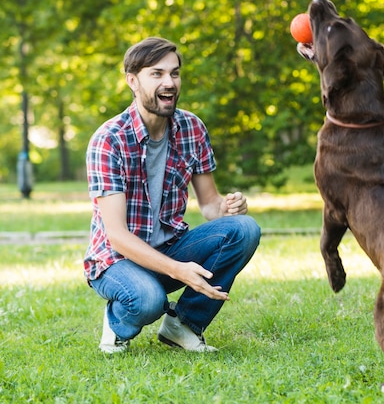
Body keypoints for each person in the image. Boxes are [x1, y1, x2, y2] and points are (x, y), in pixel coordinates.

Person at [84, 36, 261, 353]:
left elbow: (209, 205)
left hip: (169, 249)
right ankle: (117, 322)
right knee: (149, 300)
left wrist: (228, 206)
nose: (169, 83)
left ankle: (183, 325)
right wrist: (179, 270)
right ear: (133, 81)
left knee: (244, 229)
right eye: (157, 74)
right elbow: (117, 236)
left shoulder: (192, 128)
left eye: (174, 73)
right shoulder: (109, 140)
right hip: (116, 261)